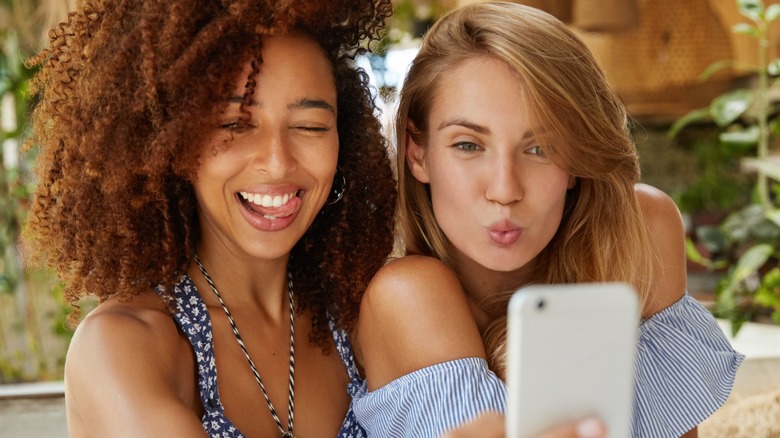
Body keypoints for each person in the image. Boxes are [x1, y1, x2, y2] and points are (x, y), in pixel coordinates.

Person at [351, 2, 744, 437]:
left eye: (540, 148)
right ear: (418, 153)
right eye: (468, 145)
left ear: (575, 160)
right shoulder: (407, 295)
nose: (504, 189)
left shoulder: (641, 232)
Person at [22, 0, 398, 436]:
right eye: (234, 125)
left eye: (311, 126)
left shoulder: (359, 318)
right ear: (170, 140)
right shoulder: (122, 345)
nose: (277, 163)